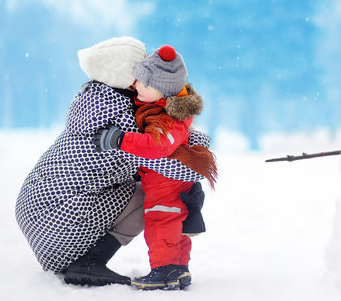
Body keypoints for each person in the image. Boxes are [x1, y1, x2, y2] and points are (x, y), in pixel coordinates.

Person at [15, 37, 210, 287]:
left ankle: (91, 261)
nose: (144, 72)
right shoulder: (121, 119)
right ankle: (90, 262)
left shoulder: (96, 99)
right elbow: (174, 159)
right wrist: (192, 179)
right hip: (58, 220)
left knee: (160, 184)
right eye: (140, 67)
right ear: (126, 73)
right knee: (157, 196)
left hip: (38, 209)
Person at [92, 45, 217, 290]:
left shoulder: (169, 120)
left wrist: (119, 139)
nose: (137, 87)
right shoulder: (159, 103)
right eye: (138, 80)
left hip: (165, 182)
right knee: (174, 223)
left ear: (162, 94)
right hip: (163, 180)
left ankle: (165, 269)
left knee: (161, 222)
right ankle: (179, 269)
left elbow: (155, 145)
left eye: (144, 85)